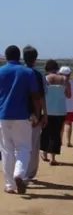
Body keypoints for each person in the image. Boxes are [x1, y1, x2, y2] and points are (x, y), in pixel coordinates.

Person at [0, 45, 41, 194]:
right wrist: (37, 114)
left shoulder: (1, 71)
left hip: (3, 116)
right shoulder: (27, 72)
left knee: (6, 150)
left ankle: (9, 185)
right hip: (23, 117)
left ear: (6, 56)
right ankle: (19, 174)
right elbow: (36, 96)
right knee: (23, 148)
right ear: (19, 57)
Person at [22, 45, 48, 184]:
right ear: (35, 59)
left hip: (17, 114)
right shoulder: (37, 75)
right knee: (33, 146)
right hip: (33, 115)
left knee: (17, 146)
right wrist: (43, 114)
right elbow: (40, 97)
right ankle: (28, 174)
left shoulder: (18, 72)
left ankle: (18, 171)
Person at [40, 60, 71, 166]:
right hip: (60, 110)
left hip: (47, 110)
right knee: (56, 134)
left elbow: (41, 94)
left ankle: (44, 154)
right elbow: (68, 95)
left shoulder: (44, 79)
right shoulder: (64, 79)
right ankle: (53, 158)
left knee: (45, 132)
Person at [58, 66, 73, 148]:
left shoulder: (57, 83)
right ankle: (68, 141)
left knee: (61, 125)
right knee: (68, 124)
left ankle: (59, 141)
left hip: (59, 107)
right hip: (71, 107)